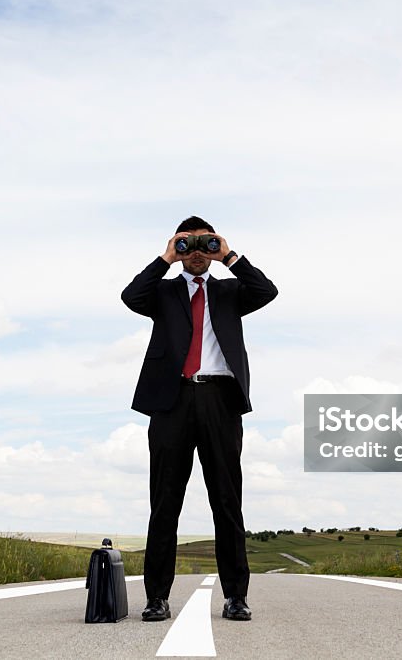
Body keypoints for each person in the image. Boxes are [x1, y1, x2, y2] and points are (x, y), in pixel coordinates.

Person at [121, 216, 278, 623]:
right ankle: (156, 597)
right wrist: (165, 257)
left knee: (227, 504)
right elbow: (130, 296)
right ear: (178, 249)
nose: (196, 254)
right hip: (171, 402)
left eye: (203, 246)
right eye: (187, 247)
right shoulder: (164, 292)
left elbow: (267, 290)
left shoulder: (230, 291)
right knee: (165, 504)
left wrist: (228, 254)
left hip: (220, 401)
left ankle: (236, 597)